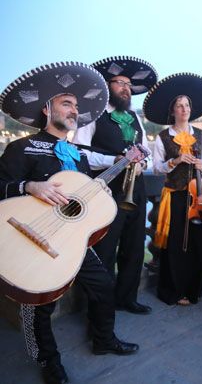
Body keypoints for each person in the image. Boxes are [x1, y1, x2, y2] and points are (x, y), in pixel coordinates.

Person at [0, 62, 139, 384]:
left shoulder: (78, 153)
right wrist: (29, 186)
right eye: (67, 103)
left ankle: (104, 340)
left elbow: (83, 195)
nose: (75, 110)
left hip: (72, 238)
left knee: (104, 285)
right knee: (38, 304)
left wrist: (98, 190)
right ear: (47, 109)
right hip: (31, 235)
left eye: (76, 106)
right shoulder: (21, 147)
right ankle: (48, 361)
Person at [73, 56, 157, 315]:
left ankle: (127, 298)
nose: (125, 88)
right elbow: (79, 153)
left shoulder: (135, 117)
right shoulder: (93, 115)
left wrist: (144, 163)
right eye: (120, 83)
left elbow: (148, 153)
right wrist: (115, 160)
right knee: (105, 250)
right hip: (106, 192)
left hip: (137, 188)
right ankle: (99, 308)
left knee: (134, 247)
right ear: (107, 86)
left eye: (129, 85)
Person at [143, 73, 202, 306]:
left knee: (196, 243)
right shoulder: (164, 137)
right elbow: (156, 169)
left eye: (186, 105)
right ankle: (173, 290)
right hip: (174, 196)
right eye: (179, 106)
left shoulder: (201, 135)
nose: (183, 109)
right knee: (176, 244)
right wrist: (174, 162)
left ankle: (193, 290)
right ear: (172, 111)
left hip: (197, 196)